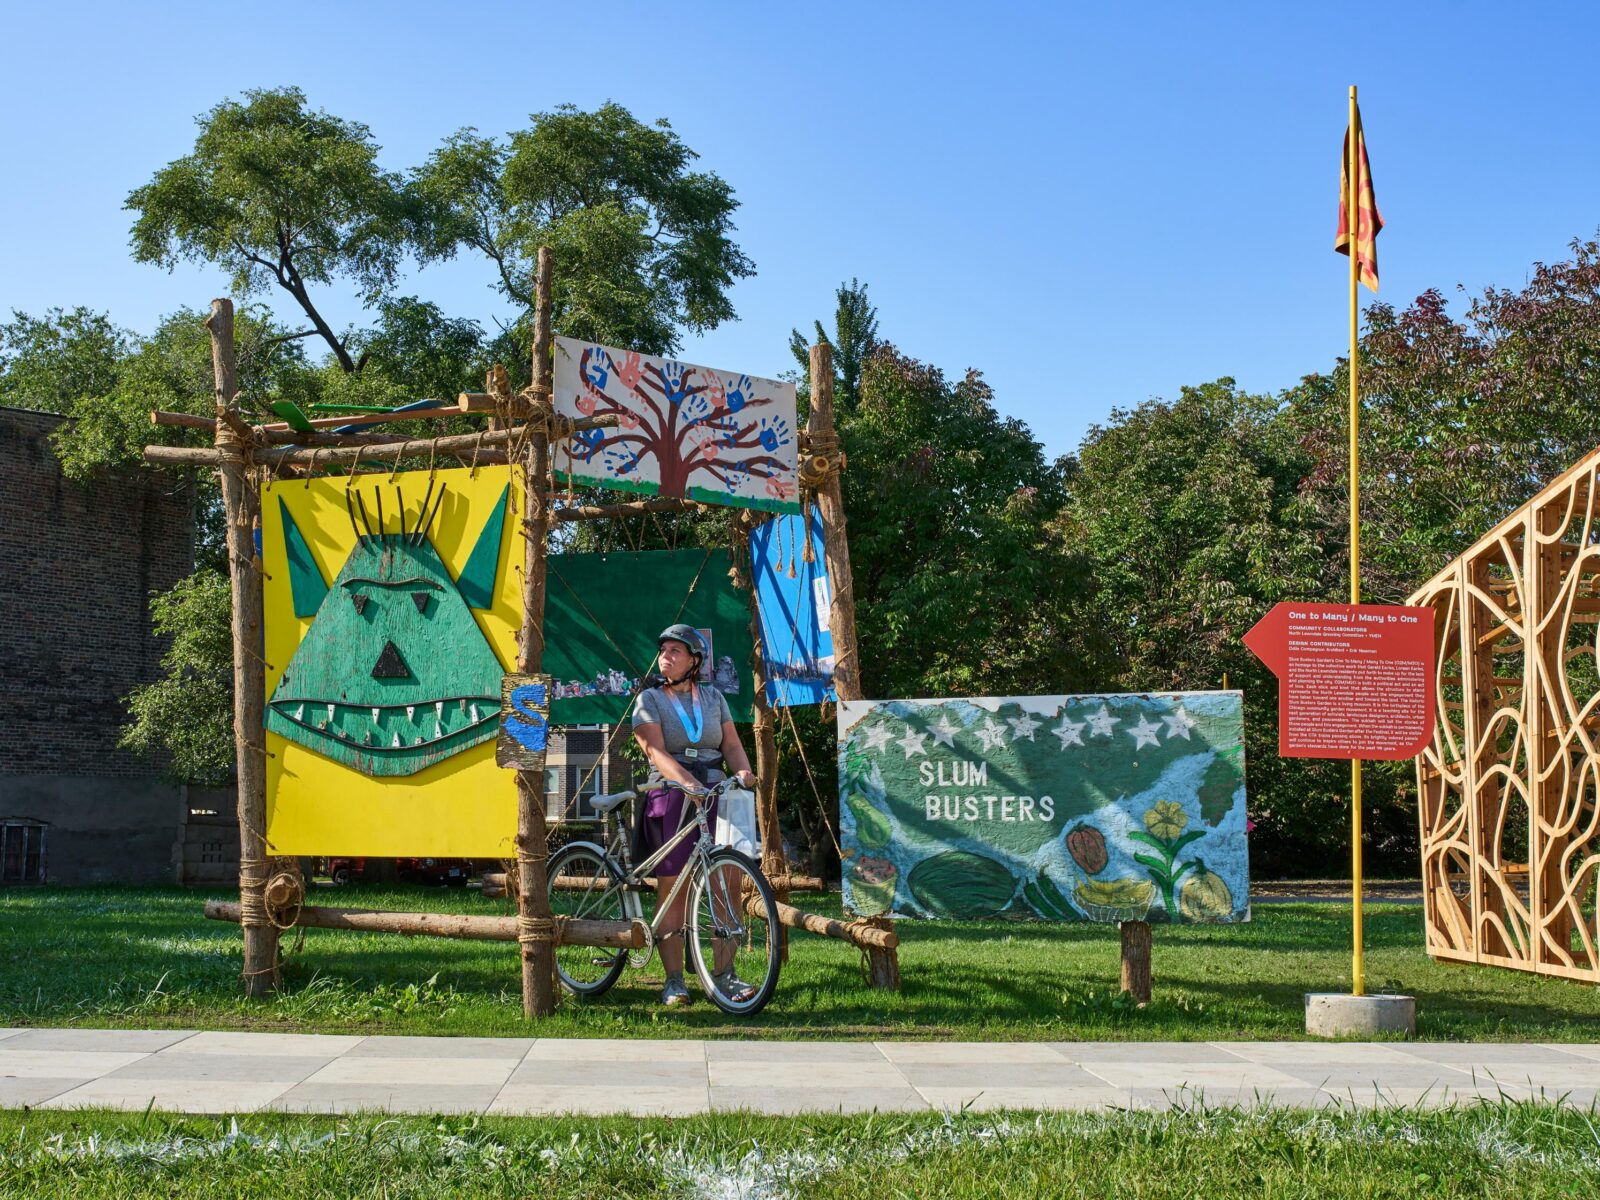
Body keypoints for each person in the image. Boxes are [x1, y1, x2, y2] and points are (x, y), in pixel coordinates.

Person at [631, 623, 758, 1006]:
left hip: (718, 792)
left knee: (728, 882)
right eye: (663, 650)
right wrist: (687, 783)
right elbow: (654, 751)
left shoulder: (714, 697)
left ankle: (725, 974)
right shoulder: (649, 699)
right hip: (671, 792)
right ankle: (673, 981)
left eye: (675, 651)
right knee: (675, 885)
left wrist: (744, 772)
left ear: (694, 661)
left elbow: (732, 745)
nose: (665, 657)